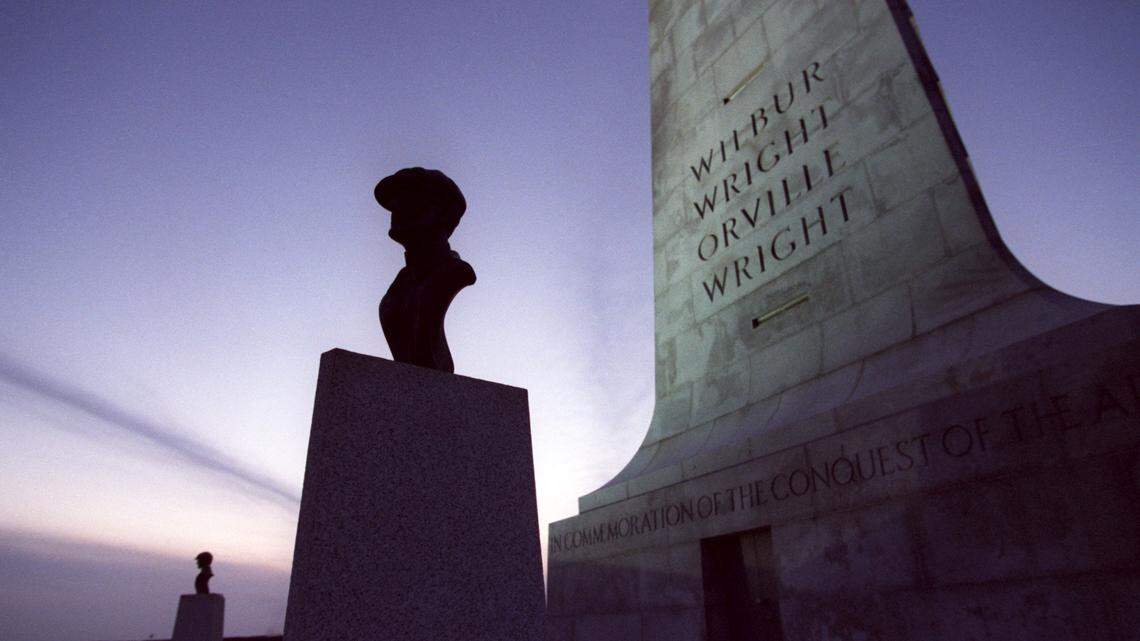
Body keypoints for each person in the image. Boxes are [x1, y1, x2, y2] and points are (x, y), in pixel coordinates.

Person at [374, 167, 476, 373]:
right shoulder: (401, 283)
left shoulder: (454, 272)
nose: (395, 207)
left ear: (441, 214)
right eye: (395, 200)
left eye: (409, 198)